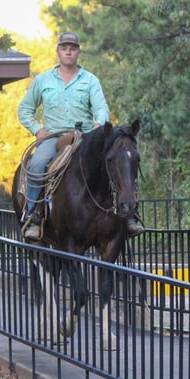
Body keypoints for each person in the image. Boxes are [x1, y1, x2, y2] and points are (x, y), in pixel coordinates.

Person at [17, 31, 144, 241]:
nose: (68, 51)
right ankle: (33, 215)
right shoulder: (43, 80)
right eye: (64, 48)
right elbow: (24, 109)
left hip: (85, 138)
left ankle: (129, 216)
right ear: (58, 51)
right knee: (38, 164)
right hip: (54, 138)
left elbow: (101, 109)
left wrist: (97, 126)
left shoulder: (90, 80)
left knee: (119, 163)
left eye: (73, 48)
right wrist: (38, 131)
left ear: (78, 52)